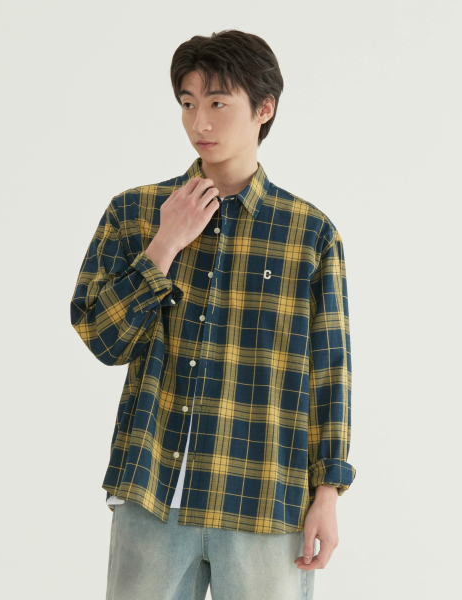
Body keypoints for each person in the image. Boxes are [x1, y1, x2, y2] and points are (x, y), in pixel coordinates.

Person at [70, 28, 356, 600]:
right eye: (187, 103)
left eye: (218, 103)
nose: (199, 122)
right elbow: (102, 339)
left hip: (264, 499)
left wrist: (327, 492)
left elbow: (329, 373)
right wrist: (164, 245)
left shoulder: (309, 233)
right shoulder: (135, 212)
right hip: (153, 494)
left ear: (263, 108)